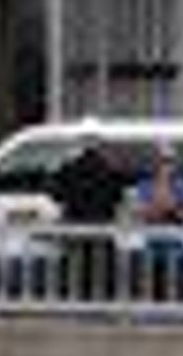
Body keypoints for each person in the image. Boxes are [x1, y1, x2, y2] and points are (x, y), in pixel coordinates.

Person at [49, 131, 128, 306]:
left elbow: (56, 194)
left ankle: (76, 297)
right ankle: (104, 298)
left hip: (75, 224)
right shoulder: (109, 168)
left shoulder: (70, 167)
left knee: (76, 264)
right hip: (102, 224)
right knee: (103, 266)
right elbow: (119, 195)